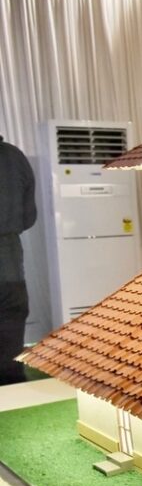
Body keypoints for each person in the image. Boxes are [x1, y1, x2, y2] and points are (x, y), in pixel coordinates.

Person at [0, 133, 36, 386]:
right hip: (9, 260)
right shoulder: (14, 156)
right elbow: (28, 217)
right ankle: (12, 385)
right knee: (11, 323)